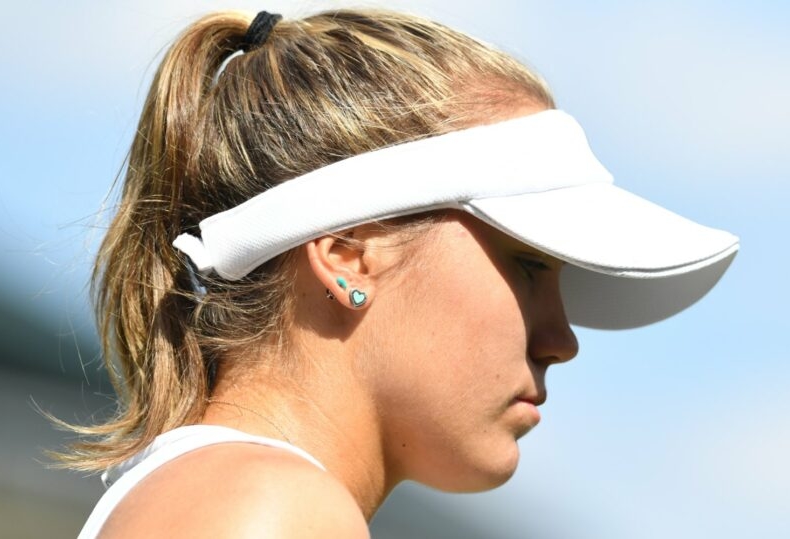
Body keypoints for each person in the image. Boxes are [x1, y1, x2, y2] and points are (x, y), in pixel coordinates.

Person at [61, 8, 738, 538]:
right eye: (529, 264)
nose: (562, 339)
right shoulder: (270, 505)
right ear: (349, 253)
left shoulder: (225, 494)